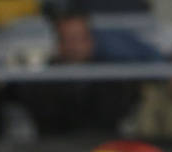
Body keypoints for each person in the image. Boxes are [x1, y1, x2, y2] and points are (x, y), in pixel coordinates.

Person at [16, 8, 142, 137]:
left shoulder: (112, 78)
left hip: (103, 145)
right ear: (58, 43)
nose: (74, 46)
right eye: (68, 39)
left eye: (80, 38)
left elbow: (119, 114)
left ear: (91, 40)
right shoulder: (41, 82)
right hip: (54, 145)